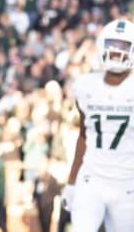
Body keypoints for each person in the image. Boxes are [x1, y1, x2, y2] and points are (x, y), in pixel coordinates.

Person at [62, 19, 134, 231]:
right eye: (112, 45)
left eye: (123, 46)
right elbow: (84, 136)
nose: (116, 52)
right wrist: (71, 183)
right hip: (91, 179)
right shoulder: (85, 86)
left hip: (127, 182)